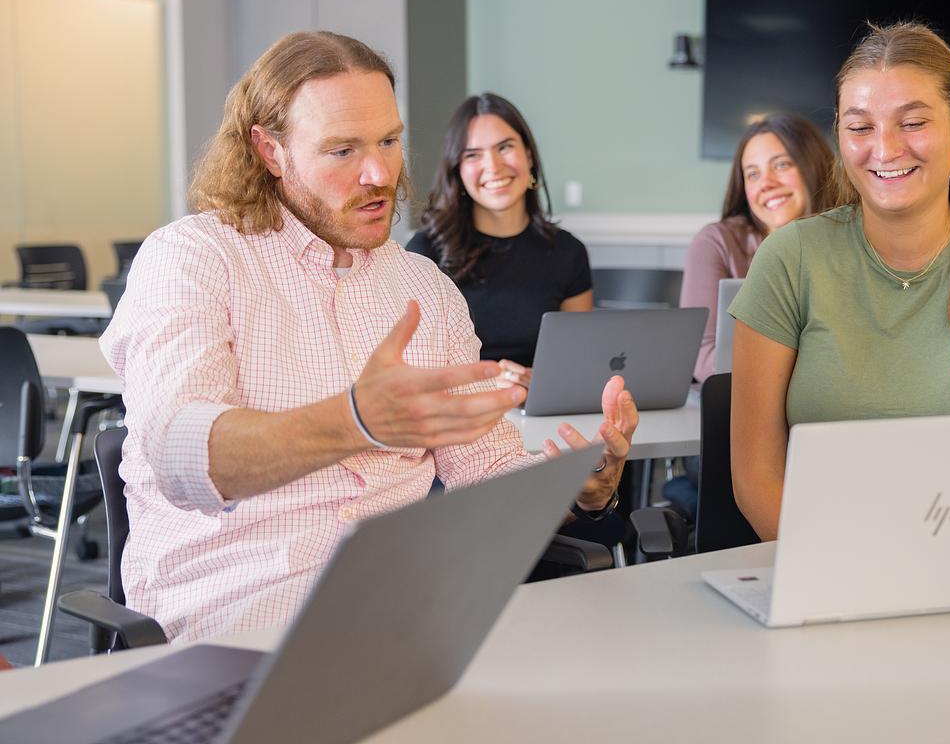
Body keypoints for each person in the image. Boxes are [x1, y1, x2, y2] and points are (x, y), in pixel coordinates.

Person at [100, 31, 637, 643]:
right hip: (240, 618)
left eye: (388, 140)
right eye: (342, 151)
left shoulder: (423, 287)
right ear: (270, 150)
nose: (380, 173)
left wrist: (575, 488)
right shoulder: (193, 258)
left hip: (407, 611)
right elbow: (179, 456)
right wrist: (357, 420)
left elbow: (483, 469)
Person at [728, 21, 950, 541]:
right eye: (860, 127)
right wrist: (828, 574)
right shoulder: (790, 257)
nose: (885, 149)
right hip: (819, 564)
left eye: (912, 122)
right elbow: (757, 478)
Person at [406, 93, 592, 389]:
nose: (492, 166)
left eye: (504, 147)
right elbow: (417, 366)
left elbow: (578, 365)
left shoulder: (568, 252)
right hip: (459, 416)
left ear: (529, 156)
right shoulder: (425, 253)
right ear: (458, 170)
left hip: (541, 419)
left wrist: (539, 383)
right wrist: (488, 381)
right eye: (473, 154)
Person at [680, 114, 835, 384]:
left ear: (814, 166)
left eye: (782, 165)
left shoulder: (853, 239)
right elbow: (701, 355)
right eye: (753, 174)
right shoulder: (716, 242)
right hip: (744, 401)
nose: (766, 183)